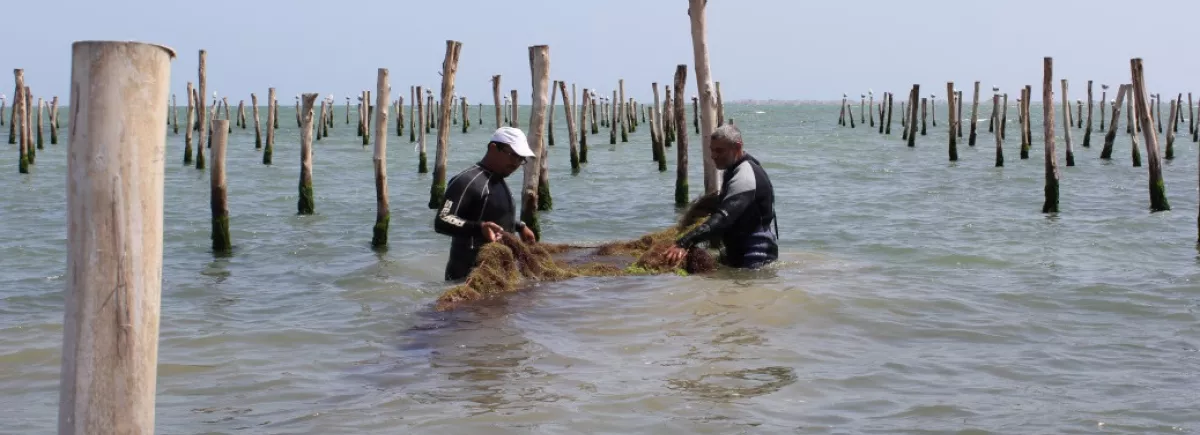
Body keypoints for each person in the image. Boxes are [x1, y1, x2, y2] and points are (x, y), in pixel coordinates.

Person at [665, 124, 779, 269]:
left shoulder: (745, 175)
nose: (713, 156)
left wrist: (683, 242)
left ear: (737, 147)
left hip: (755, 253)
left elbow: (723, 218)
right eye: (712, 150)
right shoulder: (733, 169)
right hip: (739, 249)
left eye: (719, 151)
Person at [434, 127, 538, 281]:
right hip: (466, 279)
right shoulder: (466, 181)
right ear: (493, 148)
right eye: (513, 155)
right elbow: (442, 219)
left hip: (496, 276)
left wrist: (519, 226)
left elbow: (488, 213)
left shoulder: (498, 181)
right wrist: (479, 228)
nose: (516, 163)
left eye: (521, 159)